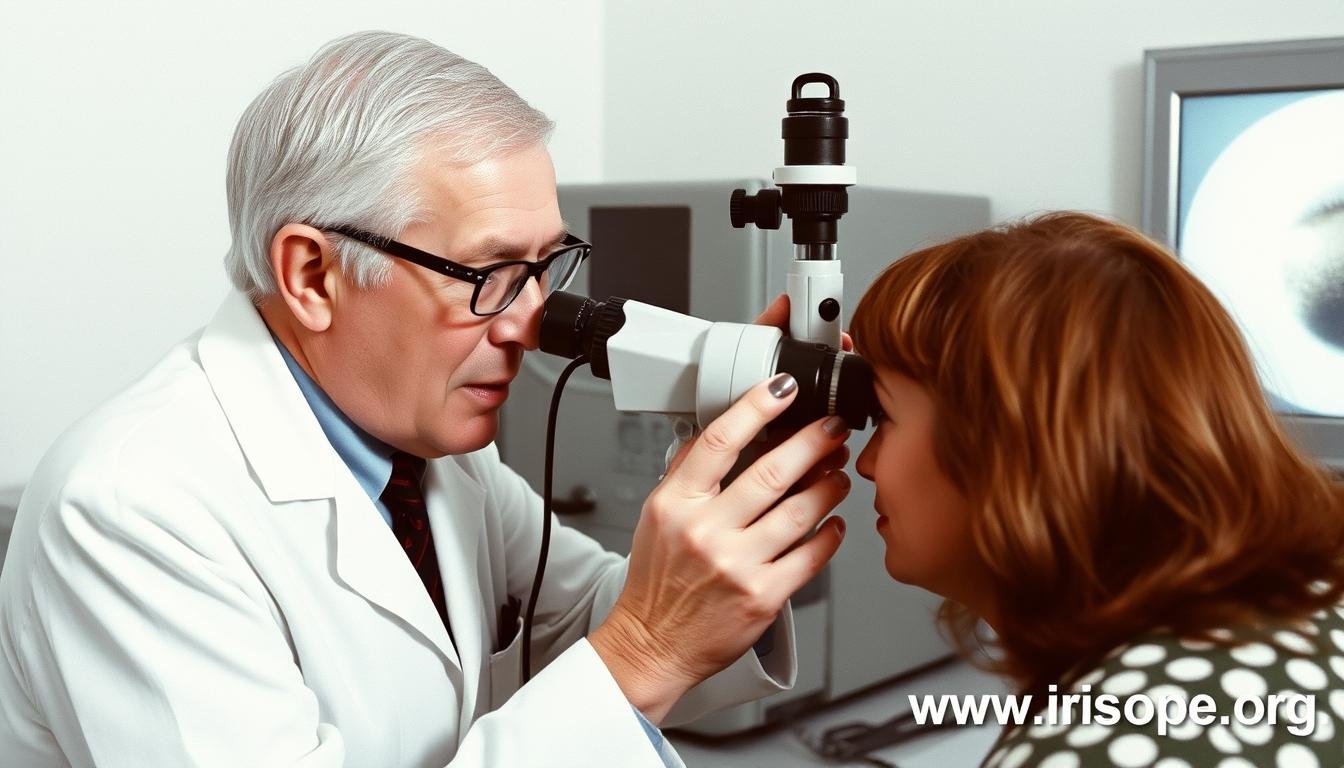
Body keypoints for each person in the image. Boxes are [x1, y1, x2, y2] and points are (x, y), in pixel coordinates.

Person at [0, 32, 853, 767]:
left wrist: (732, 510)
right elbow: (633, 650)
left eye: (544, 269)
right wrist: (646, 650)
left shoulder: (435, 454)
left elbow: (591, 626)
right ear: (312, 274)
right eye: (489, 276)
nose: (527, 324)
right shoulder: (131, 509)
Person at [849, 212, 1344, 766]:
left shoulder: (1098, 747)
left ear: (1011, 449)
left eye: (883, 417)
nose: (864, 464)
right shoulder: (1315, 599)